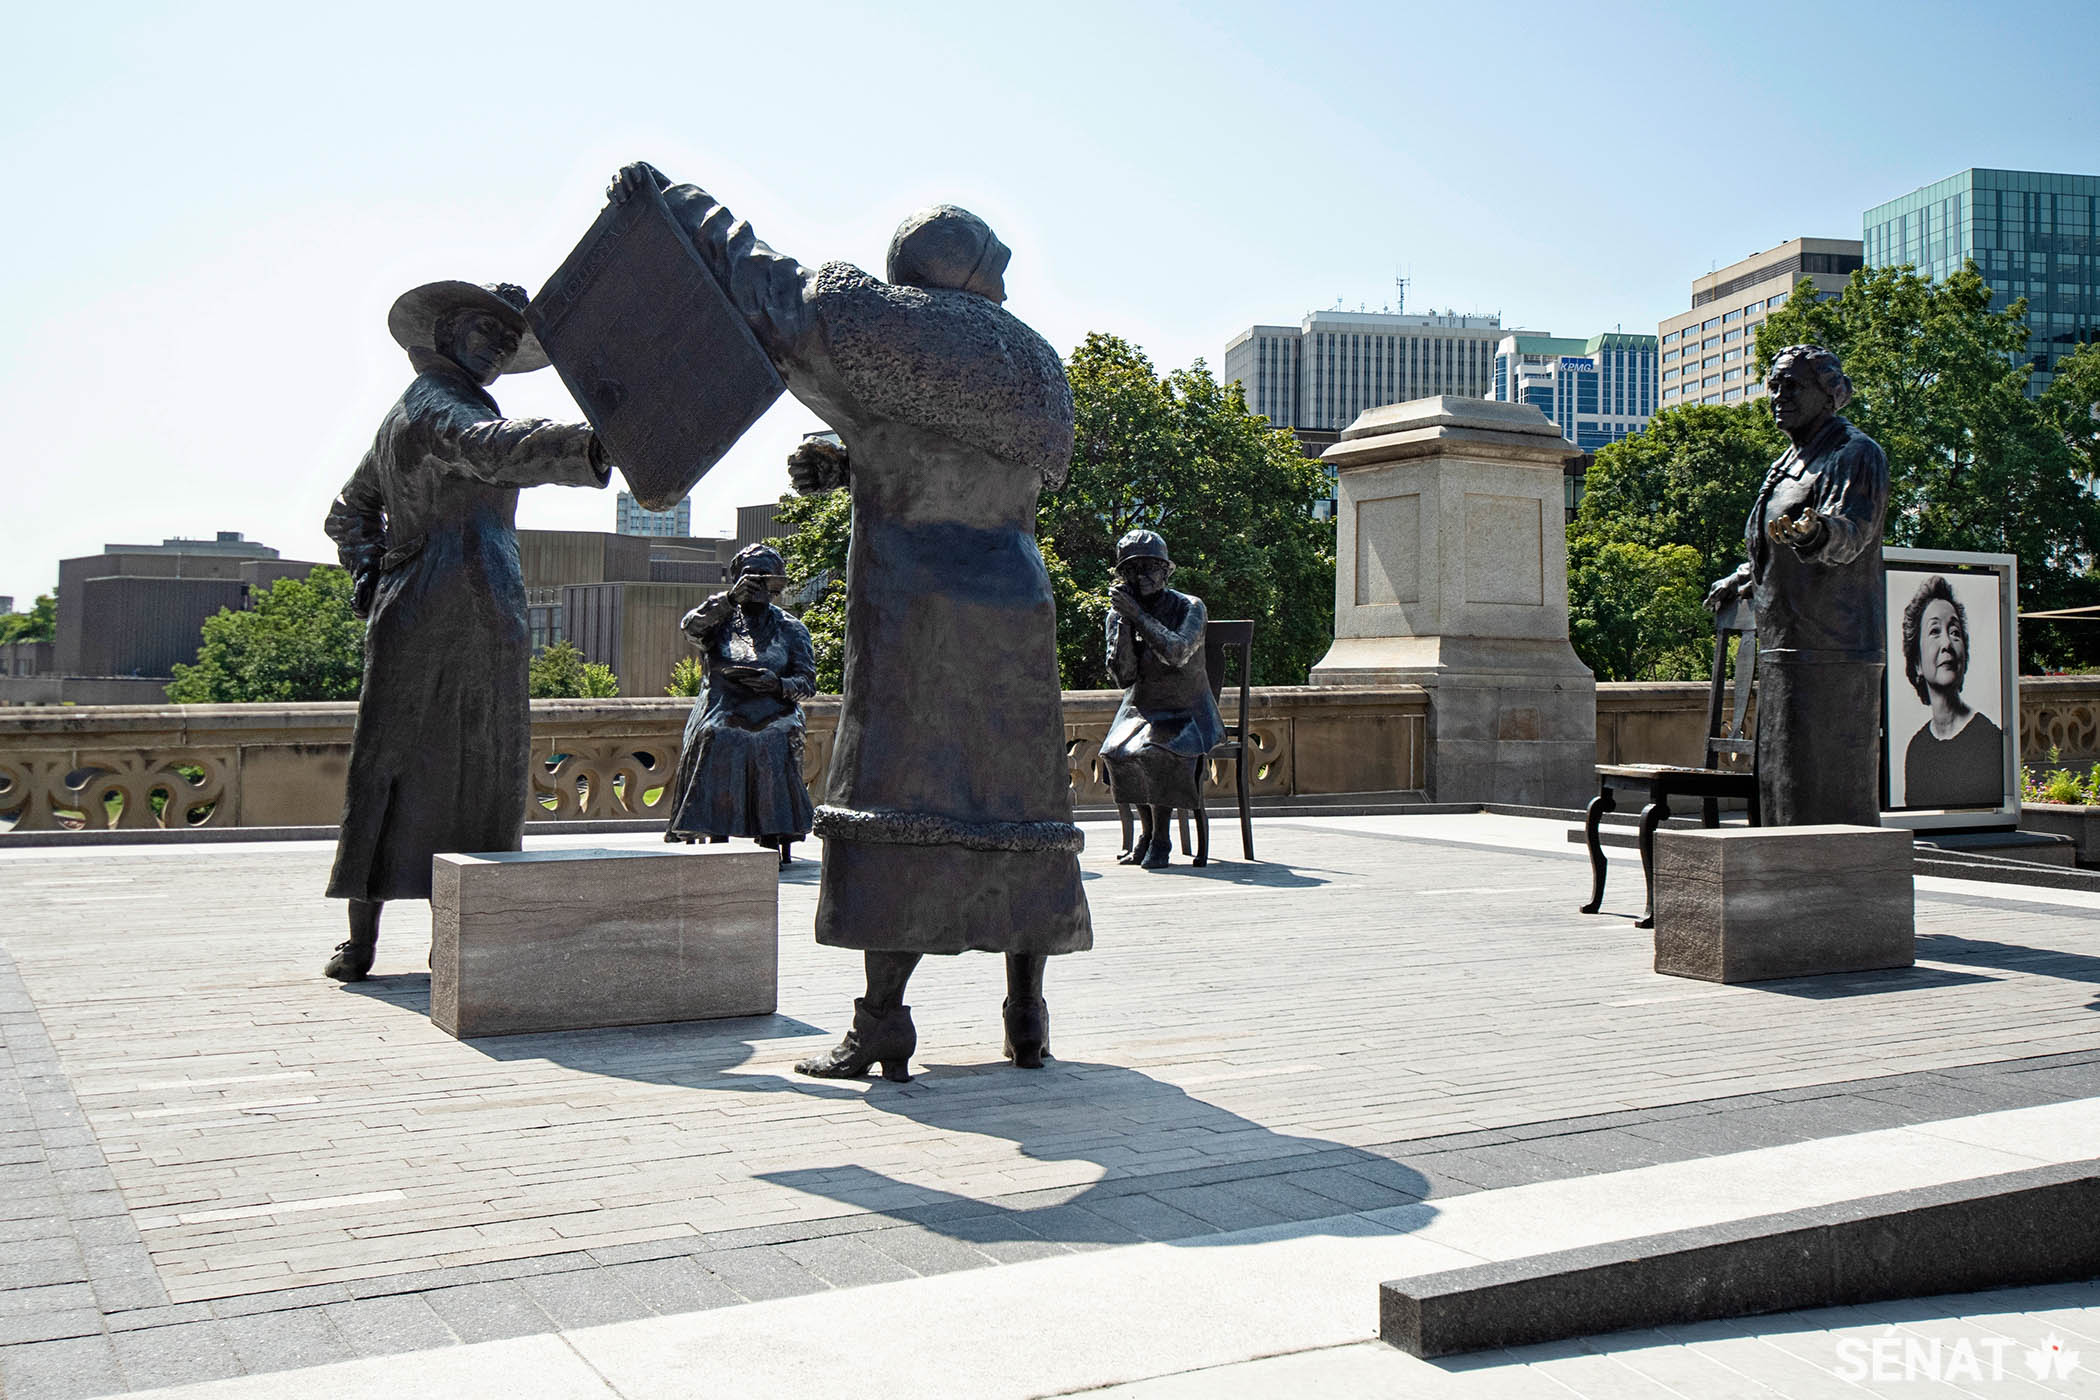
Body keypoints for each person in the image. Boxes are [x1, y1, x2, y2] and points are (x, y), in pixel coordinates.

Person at [606, 163, 1089, 1081]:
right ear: (972, 266)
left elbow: (764, 284)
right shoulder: (1035, 363)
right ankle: (1027, 1014)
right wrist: (848, 458)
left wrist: (670, 199)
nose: (1012, 275)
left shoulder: (879, 325)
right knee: (1016, 803)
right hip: (1016, 611)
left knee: (897, 803)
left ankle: (882, 1024)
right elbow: (946, 447)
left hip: (913, 611)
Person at [321, 281, 611, 982]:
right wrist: (593, 447)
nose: (497, 349)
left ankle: (406, 937)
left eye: (509, 344)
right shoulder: (436, 408)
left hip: (467, 608)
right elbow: (486, 450)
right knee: (445, 768)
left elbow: (347, 511)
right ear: (448, 331)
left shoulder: (423, 407)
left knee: (454, 769)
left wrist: (378, 578)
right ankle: (385, 938)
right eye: (488, 331)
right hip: (446, 607)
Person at [1705, 345, 1889, 827]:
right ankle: (1782, 891)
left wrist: (1818, 532)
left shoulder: (1855, 453)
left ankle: (1826, 894)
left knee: (1820, 798)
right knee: (1783, 795)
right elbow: (1774, 543)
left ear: (1828, 395)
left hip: (1833, 655)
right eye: (1775, 385)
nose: (1779, 395)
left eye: (1793, 385)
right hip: (1787, 649)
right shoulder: (1793, 457)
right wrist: (1743, 577)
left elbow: (1852, 532)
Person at [664, 543, 817, 864]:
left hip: (775, 710)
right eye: (751, 577)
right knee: (718, 734)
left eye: (767, 579)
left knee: (775, 737)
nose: (758, 586)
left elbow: (807, 683)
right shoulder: (718, 621)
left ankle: (774, 832)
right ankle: (713, 828)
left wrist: (777, 684)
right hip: (723, 707)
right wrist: (730, 599)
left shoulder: (792, 629)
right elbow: (690, 627)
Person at [1101, 529, 1223, 868]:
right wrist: (1125, 623)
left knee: (1155, 752)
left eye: (1149, 568)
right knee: (1116, 753)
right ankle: (1147, 832)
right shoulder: (1119, 615)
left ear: (1167, 570)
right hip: (1141, 709)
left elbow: (1177, 652)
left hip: (1188, 710)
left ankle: (1162, 839)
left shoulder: (1190, 607)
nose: (1140, 577)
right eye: (1130, 570)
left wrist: (1139, 617)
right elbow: (1123, 677)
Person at [1899, 575, 2005, 808]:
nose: (1947, 643)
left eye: (1955, 632)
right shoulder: (1917, 748)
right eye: (1935, 631)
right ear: (1916, 662)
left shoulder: (1989, 739)